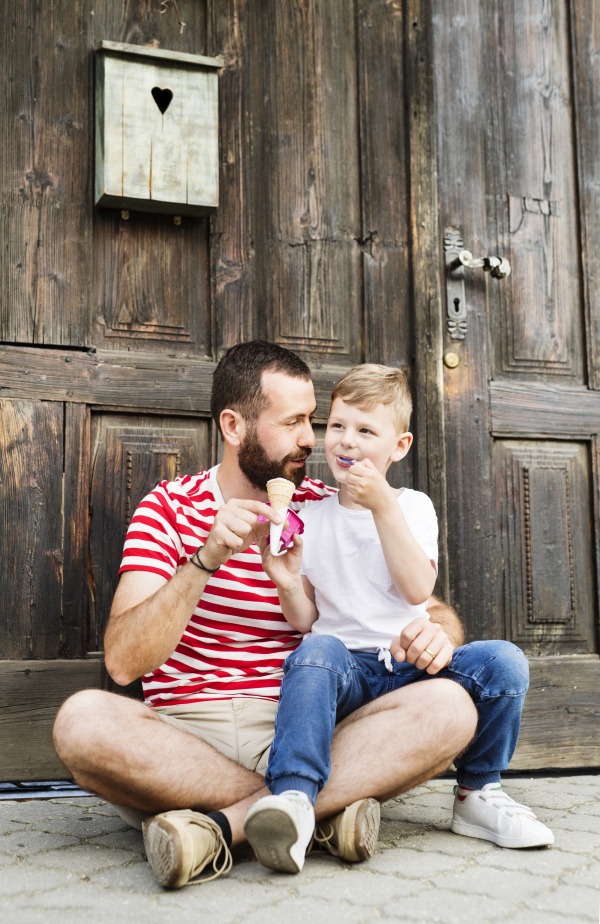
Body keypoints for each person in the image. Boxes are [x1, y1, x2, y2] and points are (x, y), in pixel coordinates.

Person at [52, 342, 477, 889]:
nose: (312, 438)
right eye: (294, 421)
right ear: (234, 426)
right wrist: (204, 560)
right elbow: (123, 662)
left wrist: (439, 632)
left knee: (450, 707)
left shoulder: (332, 504)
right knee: (82, 722)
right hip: (182, 739)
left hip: (304, 729)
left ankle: (219, 828)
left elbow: (424, 601)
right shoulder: (168, 507)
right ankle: (315, 815)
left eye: (311, 420)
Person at [243, 364, 554, 874]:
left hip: (410, 663)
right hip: (347, 672)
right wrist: (285, 578)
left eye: (366, 431)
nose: (347, 441)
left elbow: (416, 589)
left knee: (503, 661)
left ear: (400, 447)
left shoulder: (412, 506)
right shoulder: (313, 516)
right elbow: (305, 620)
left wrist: (383, 507)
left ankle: (478, 792)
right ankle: (294, 799)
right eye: (338, 426)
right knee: (314, 650)